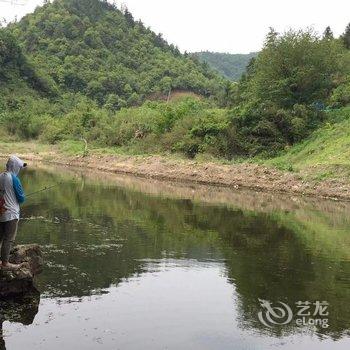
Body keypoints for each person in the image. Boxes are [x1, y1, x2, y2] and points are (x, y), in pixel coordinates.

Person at [0, 155, 27, 270]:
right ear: (15, 167)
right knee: (8, 239)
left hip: (1, 212)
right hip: (11, 214)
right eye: (19, 167)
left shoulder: (1, 175)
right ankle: (5, 264)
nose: (20, 169)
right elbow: (21, 198)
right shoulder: (14, 179)